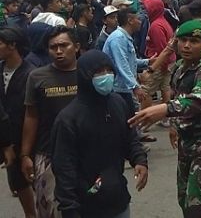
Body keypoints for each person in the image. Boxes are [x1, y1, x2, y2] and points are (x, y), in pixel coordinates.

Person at [128, 20, 201, 218]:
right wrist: (174, 125)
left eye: (194, 41)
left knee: (198, 204)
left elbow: (198, 101)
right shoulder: (180, 67)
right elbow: (178, 96)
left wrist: (164, 109)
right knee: (184, 199)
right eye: (183, 41)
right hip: (186, 140)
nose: (187, 46)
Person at [50, 50, 148, 218]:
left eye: (109, 71)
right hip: (86, 206)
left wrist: (139, 159)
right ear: (85, 76)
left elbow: (129, 136)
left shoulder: (117, 103)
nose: (106, 76)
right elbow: (64, 168)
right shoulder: (69, 119)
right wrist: (69, 208)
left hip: (118, 199)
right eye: (99, 72)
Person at [21, 26, 81, 217]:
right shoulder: (37, 77)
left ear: (77, 47)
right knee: (48, 208)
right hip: (47, 154)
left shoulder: (88, 74)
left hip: (84, 152)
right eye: (53, 47)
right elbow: (31, 116)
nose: (58, 51)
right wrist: (25, 155)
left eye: (64, 45)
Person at [102, 8, 156, 142]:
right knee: (125, 118)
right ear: (130, 21)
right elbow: (122, 65)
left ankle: (134, 139)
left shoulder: (125, 37)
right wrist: (135, 86)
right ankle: (129, 146)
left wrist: (147, 62)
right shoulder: (118, 39)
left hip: (124, 85)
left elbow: (130, 61)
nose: (140, 22)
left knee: (131, 114)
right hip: (118, 87)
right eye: (138, 19)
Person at [0, 27, 36, 218]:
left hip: (26, 138)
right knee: (17, 182)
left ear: (12, 45)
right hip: (5, 139)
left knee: (32, 181)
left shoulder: (31, 74)